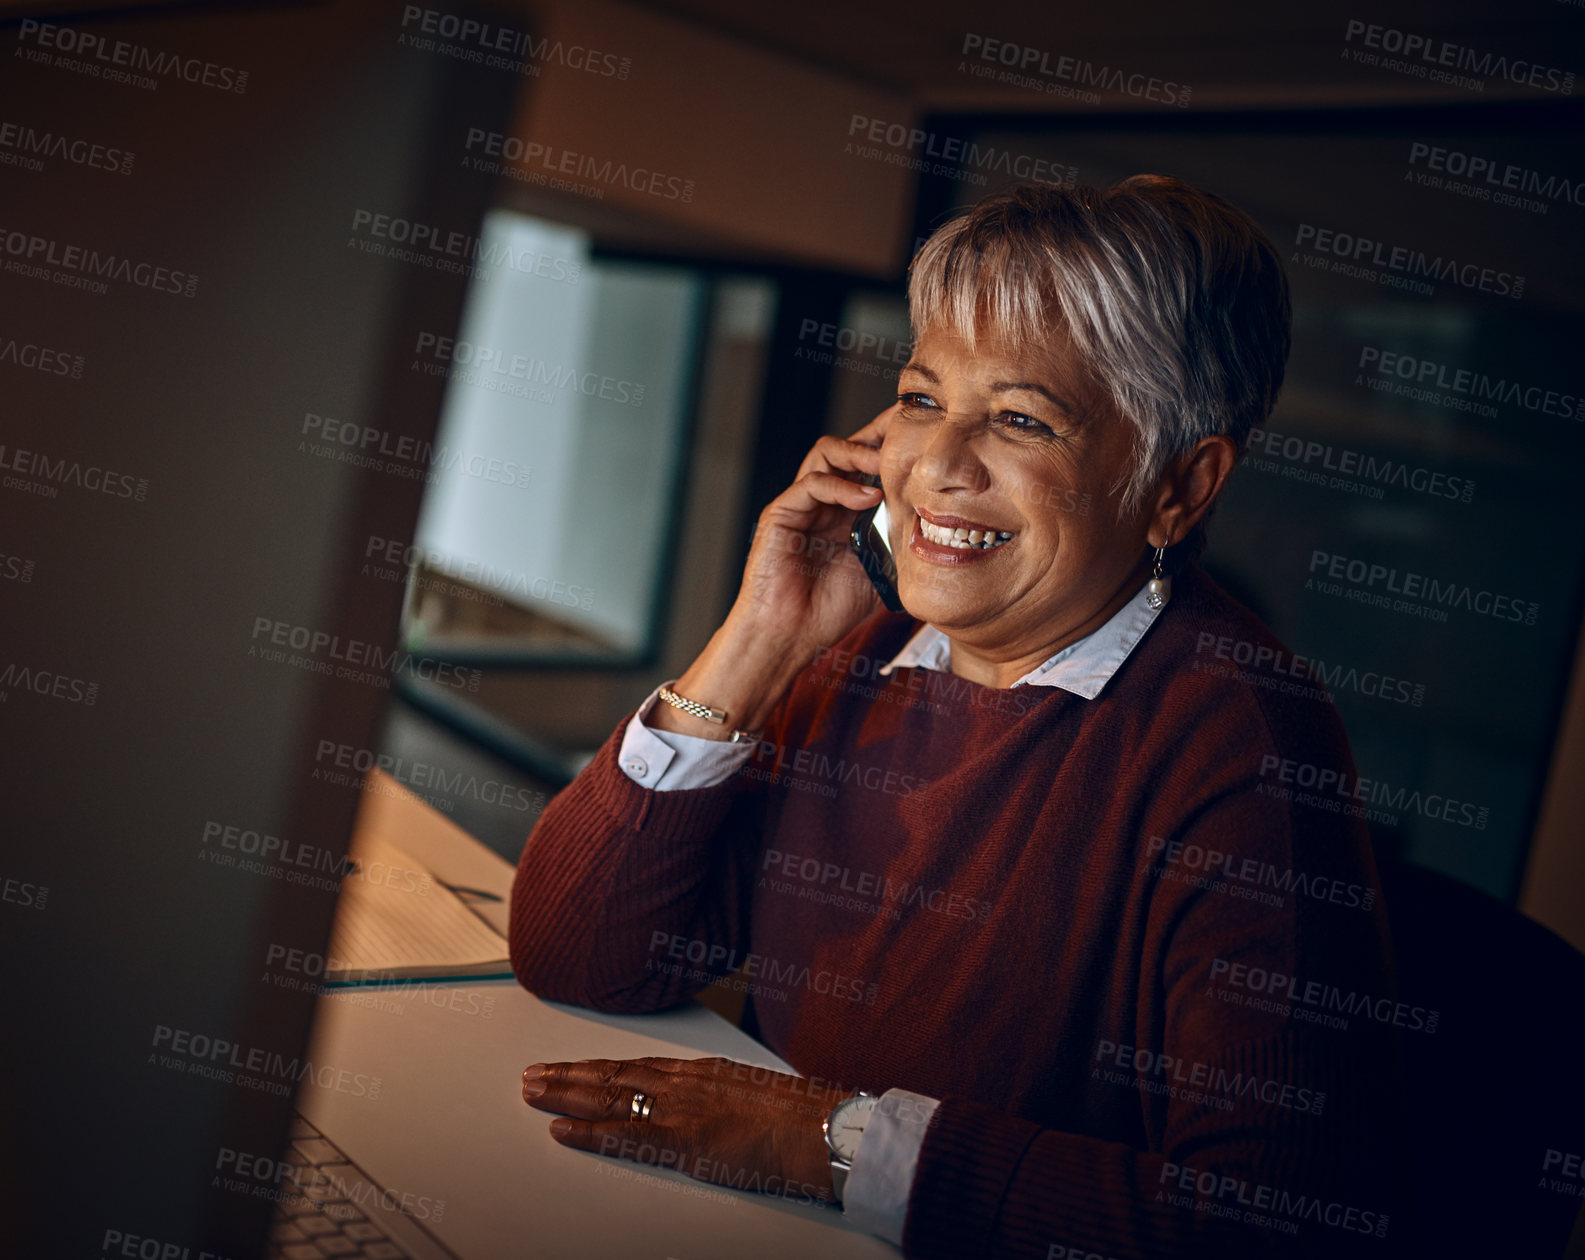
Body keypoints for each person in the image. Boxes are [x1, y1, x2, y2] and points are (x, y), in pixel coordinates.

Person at [509, 176, 1404, 1259]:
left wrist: (824, 1145)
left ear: (1178, 487)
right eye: (924, 400)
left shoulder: (1243, 744)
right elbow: (578, 955)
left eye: (1021, 419)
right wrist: (762, 635)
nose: (936, 465)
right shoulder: (870, 647)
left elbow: (1264, 1228)